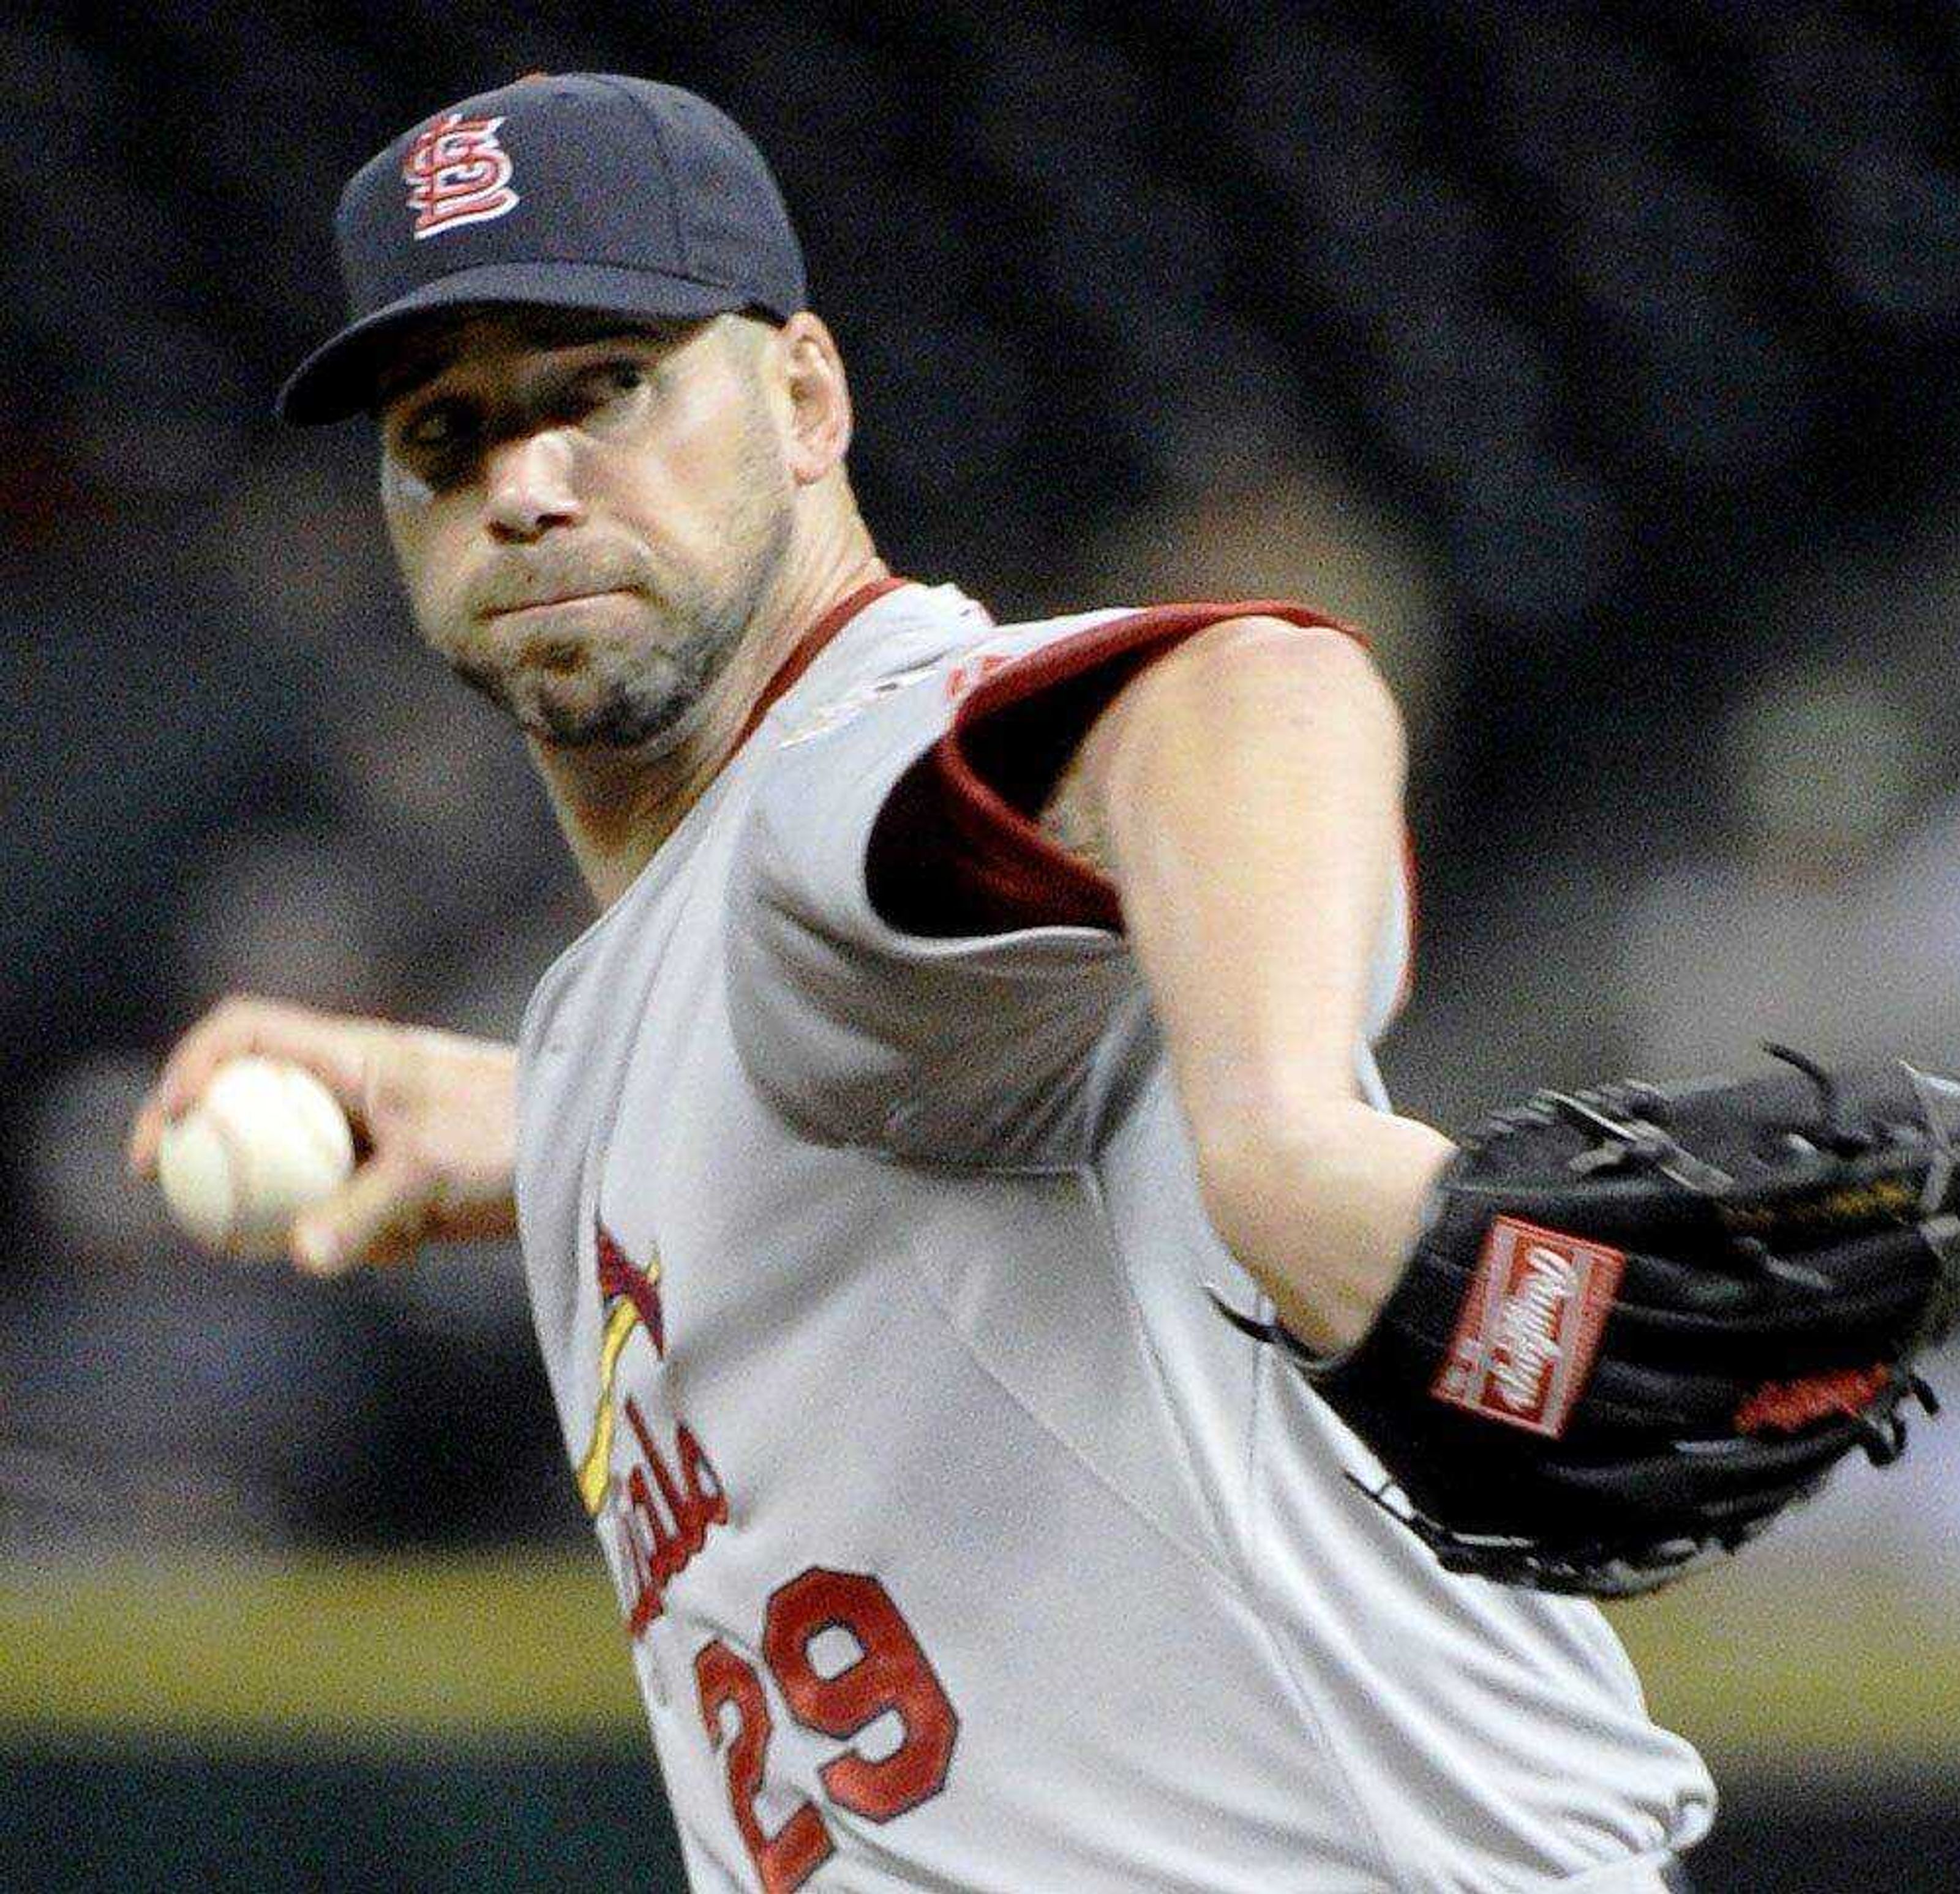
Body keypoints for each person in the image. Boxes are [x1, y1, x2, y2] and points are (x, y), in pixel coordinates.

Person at [130, 75, 1711, 1890]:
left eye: (601, 389)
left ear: (806, 398)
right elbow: (849, 1076)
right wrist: (533, 1124)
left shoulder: (832, 784)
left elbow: (1234, 689)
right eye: (447, 432)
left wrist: (1277, 1138)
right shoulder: (656, 983)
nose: (529, 485)